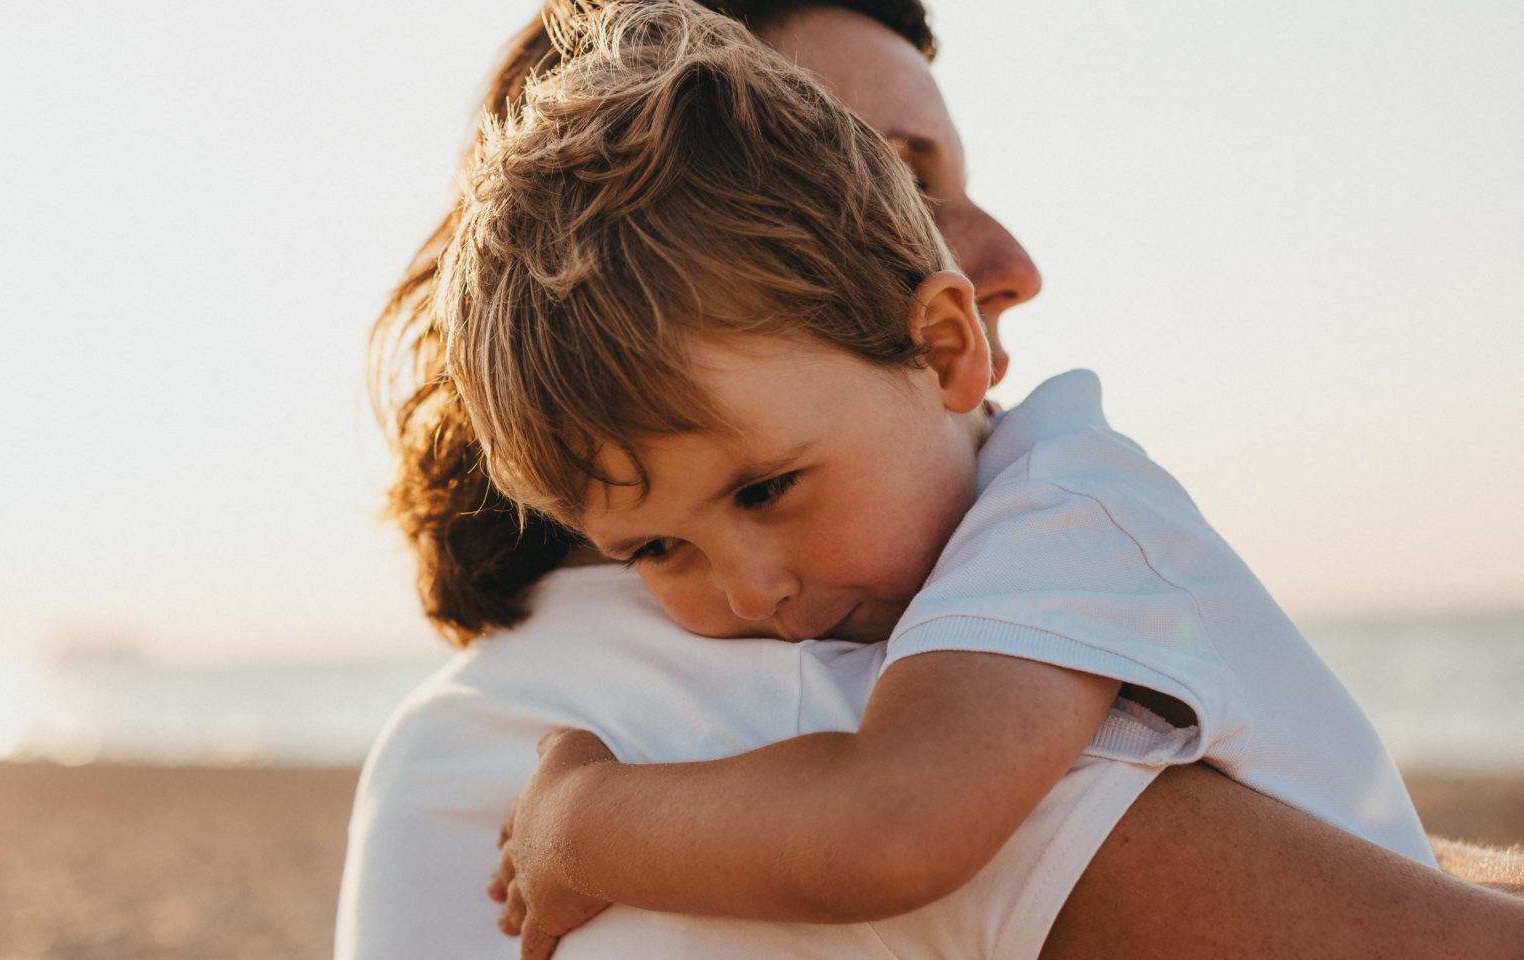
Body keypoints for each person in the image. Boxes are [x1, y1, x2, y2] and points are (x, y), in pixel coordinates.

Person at [336, 3, 1524, 958]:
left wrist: (581, 825)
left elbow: (898, 813)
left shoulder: (1056, 519)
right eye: (895, 177)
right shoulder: (754, 681)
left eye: (764, 492)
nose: (747, 591)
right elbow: (891, 819)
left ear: (940, 346)